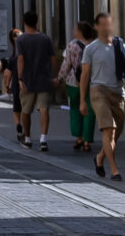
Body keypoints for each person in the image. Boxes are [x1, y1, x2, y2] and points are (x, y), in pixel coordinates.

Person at [79, 12, 125, 182]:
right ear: (97, 27)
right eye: (103, 25)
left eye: (109, 24)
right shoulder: (90, 49)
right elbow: (85, 75)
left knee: (114, 134)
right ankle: (114, 170)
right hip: (98, 91)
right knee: (108, 130)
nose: (107, 28)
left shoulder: (120, 46)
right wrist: (83, 100)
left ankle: (99, 158)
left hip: (118, 92)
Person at [15, 11, 58, 151]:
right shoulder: (45, 39)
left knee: (26, 111)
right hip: (44, 79)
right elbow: (53, 58)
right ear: (37, 21)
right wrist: (54, 75)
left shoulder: (21, 40)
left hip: (28, 80)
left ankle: (27, 138)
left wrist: (20, 78)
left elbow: (20, 59)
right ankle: (43, 139)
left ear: (24, 23)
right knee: (44, 109)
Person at [61, 21, 95, 152]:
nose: (74, 30)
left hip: (74, 82)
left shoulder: (72, 46)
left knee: (75, 108)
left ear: (80, 31)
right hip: (91, 82)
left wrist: (59, 78)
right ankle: (87, 140)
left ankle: (79, 137)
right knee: (90, 111)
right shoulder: (94, 45)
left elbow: (67, 65)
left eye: (75, 28)